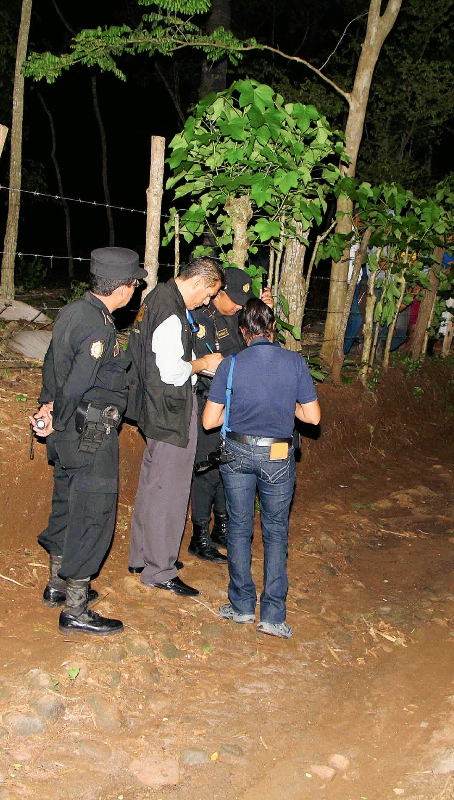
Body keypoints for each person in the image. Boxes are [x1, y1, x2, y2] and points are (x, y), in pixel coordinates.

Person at [30, 247, 145, 635]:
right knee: (93, 509)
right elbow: (79, 382)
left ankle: (56, 587)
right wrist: (58, 419)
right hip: (90, 426)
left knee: (66, 501)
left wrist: (47, 410)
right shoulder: (98, 325)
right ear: (125, 288)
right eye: (135, 283)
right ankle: (76, 609)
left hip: (67, 429)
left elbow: (52, 363)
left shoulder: (74, 312)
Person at [201, 299, 321, 639]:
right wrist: (287, 408)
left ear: (243, 331)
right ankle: (272, 616)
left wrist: (238, 411)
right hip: (278, 453)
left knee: (238, 529)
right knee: (276, 532)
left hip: (237, 452)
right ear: (272, 327)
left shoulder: (231, 364)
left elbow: (210, 421)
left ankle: (240, 607)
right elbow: (312, 417)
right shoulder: (294, 361)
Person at [126, 257, 225, 596]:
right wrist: (203, 363)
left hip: (153, 407)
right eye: (209, 294)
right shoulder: (171, 310)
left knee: (154, 485)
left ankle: (144, 555)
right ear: (198, 283)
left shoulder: (156, 297)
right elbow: (172, 372)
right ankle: (160, 569)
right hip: (171, 410)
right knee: (170, 490)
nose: (207, 301)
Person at [186, 267, 253, 564]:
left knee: (229, 465)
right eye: (234, 300)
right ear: (219, 292)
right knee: (206, 469)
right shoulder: (197, 317)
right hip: (206, 402)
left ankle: (221, 525)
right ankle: (199, 534)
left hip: (232, 403)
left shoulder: (236, 316)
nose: (239, 306)